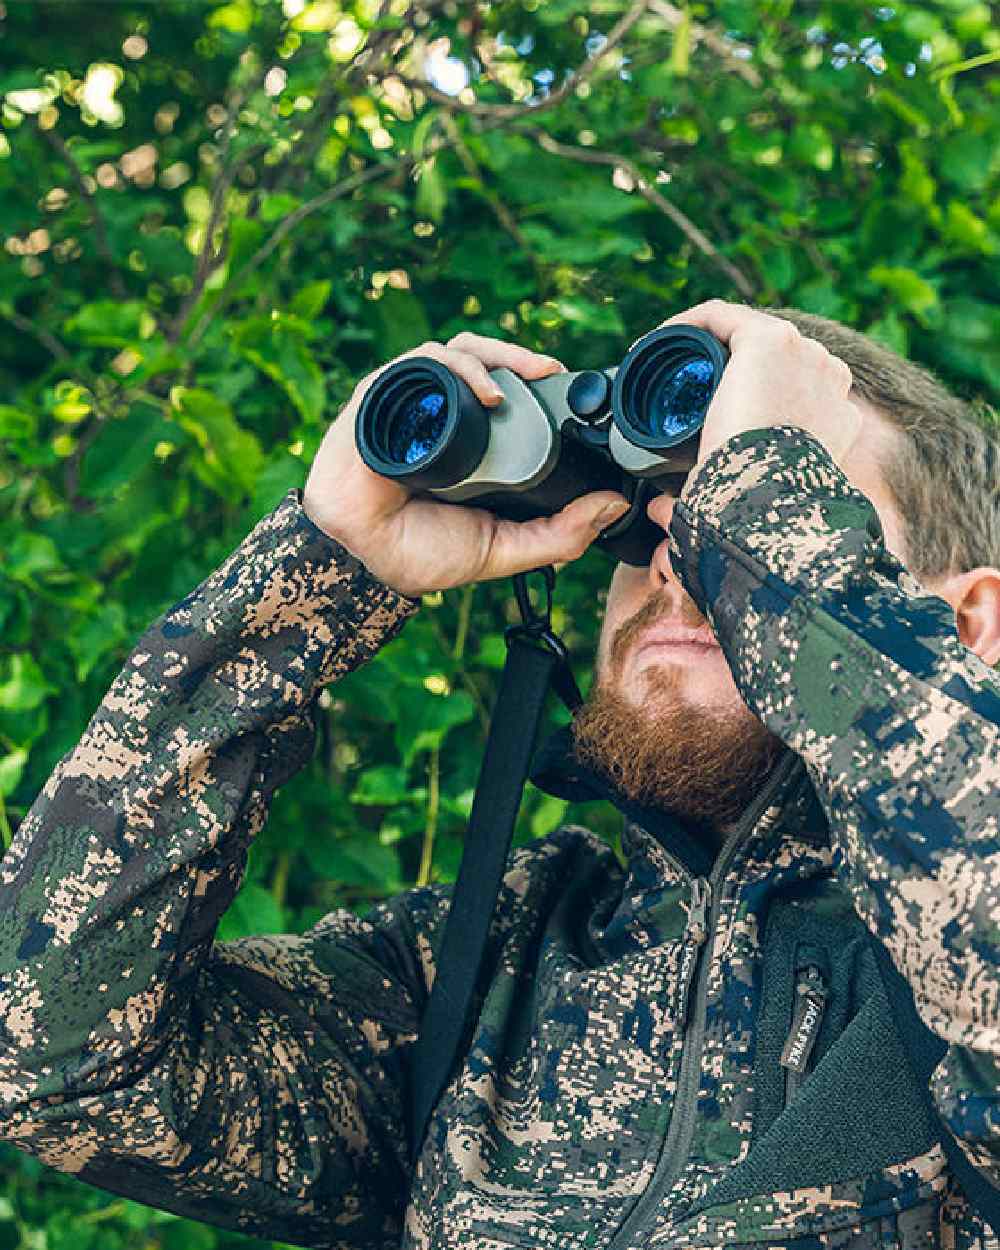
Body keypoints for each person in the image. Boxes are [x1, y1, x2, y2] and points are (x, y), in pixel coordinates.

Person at [1, 300, 998, 1250]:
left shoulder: (942, 994)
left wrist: (765, 508)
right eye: (656, 523)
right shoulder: (486, 964)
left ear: (969, 623)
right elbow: (51, 1058)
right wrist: (317, 575)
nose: (678, 560)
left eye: (766, 511)